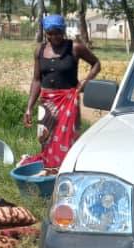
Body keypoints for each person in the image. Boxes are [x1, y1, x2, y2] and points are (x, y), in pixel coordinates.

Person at [23, 15, 101, 170]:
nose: (54, 37)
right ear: (46, 32)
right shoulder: (40, 50)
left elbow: (96, 64)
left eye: (58, 32)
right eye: (50, 33)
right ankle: (49, 171)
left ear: (63, 30)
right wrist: (29, 108)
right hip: (47, 103)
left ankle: (67, 171)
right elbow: (37, 80)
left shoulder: (75, 47)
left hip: (68, 102)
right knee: (45, 139)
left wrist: (85, 81)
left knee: (68, 139)